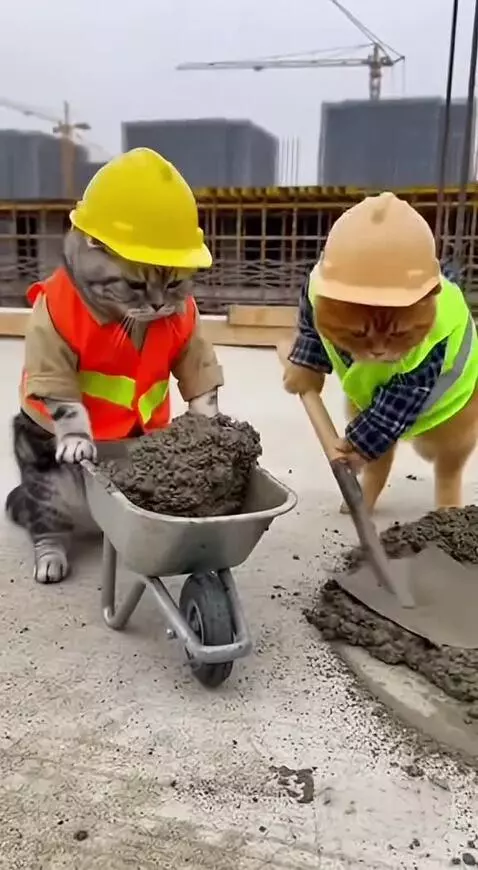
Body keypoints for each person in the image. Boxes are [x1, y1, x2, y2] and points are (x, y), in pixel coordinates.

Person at [7, 147, 224, 583]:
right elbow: (49, 372)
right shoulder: (61, 306)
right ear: (94, 248)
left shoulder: (178, 308)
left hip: (138, 436)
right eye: (136, 286)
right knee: (49, 487)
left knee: (153, 488)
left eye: (172, 283)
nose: (158, 303)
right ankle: (49, 538)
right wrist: (72, 430)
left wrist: (207, 419)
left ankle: (124, 522)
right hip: (60, 436)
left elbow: (196, 361)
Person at [283, 191, 478, 512]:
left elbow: (401, 400)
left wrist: (363, 443)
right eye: (361, 334)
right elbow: (312, 312)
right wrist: (308, 362)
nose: (377, 349)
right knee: (367, 416)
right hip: (372, 390)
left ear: (429, 295)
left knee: (450, 447)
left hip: (447, 400)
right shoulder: (322, 286)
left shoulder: (440, 327)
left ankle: (449, 484)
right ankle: (372, 483)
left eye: (397, 334)